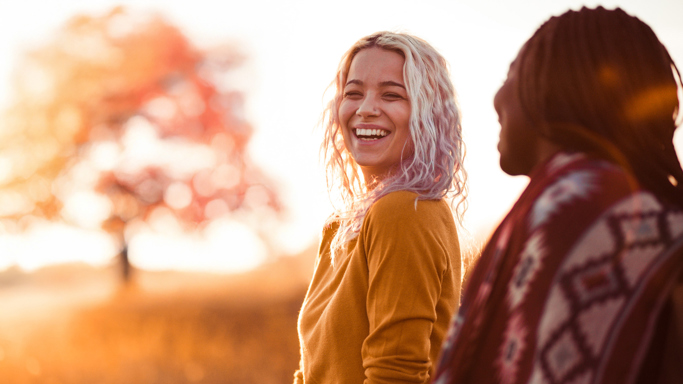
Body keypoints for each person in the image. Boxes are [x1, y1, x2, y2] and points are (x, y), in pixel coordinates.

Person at [433, 6, 683, 384]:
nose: (497, 97)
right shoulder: (624, 205)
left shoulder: (580, 208)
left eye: (513, 73)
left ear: (555, 87)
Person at [293, 31, 467, 384]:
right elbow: (314, 371)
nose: (366, 108)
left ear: (428, 114)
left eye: (392, 95)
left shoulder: (404, 211)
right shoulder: (341, 226)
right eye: (353, 93)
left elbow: (395, 374)